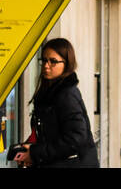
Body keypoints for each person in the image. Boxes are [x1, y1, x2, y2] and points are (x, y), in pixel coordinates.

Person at [13, 38, 99, 168]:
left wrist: (36, 153)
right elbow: (49, 135)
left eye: (53, 61)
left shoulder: (66, 95)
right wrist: (29, 152)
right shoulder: (49, 93)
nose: (46, 66)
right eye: (44, 60)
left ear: (66, 64)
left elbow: (76, 139)